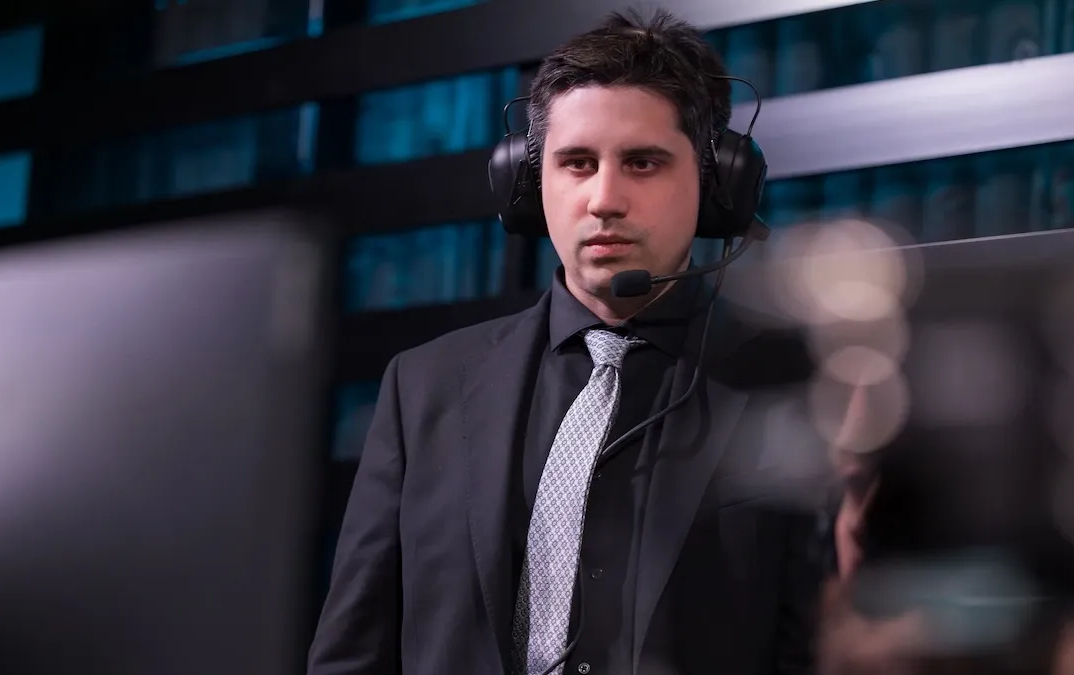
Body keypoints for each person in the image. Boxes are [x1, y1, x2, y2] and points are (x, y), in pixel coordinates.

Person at [307, 8, 827, 675]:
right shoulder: (423, 387)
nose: (604, 198)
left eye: (643, 162)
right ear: (529, 185)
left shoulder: (792, 382)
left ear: (715, 182)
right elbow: (353, 652)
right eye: (577, 163)